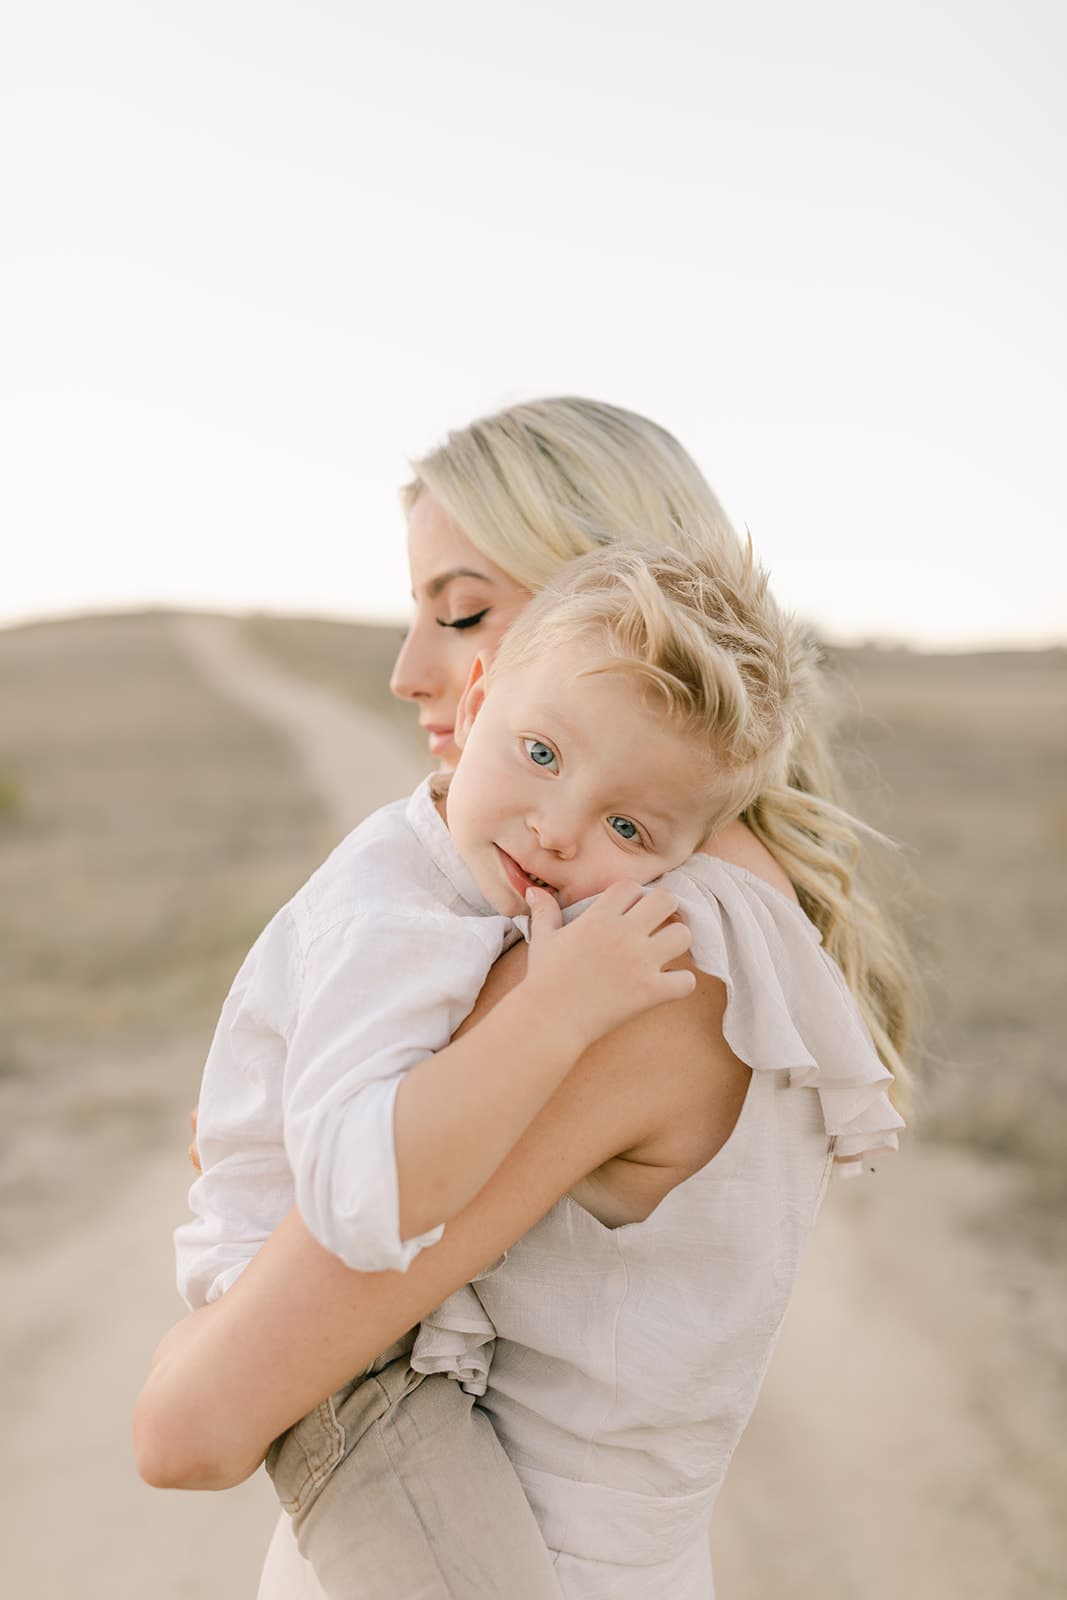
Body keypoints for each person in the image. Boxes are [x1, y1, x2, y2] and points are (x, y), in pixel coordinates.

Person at [135, 399, 912, 1598]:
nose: (409, 670)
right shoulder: (686, 903)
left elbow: (188, 1426)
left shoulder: (638, 955)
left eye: (460, 610)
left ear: (616, 601)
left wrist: (249, 1225)